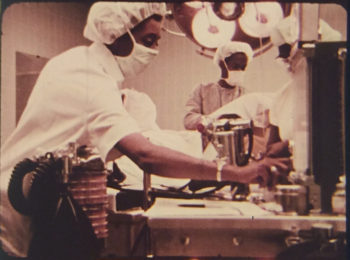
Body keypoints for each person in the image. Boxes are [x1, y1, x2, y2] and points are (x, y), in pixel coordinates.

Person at [0, 2, 292, 259]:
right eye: (148, 40)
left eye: (157, 41)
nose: (153, 51)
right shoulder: (89, 77)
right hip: (19, 210)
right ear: (116, 35)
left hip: (38, 200)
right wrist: (235, 173)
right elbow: (145, 155)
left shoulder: (81, 63)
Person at [183, 41, 253, 131]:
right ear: (222, 64)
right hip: (208, 142)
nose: (239, 70)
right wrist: (213, 119)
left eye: (243, 67)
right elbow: (189, 121)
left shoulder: (246, 95)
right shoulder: (202, 90)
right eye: (236, 66)